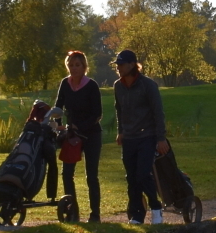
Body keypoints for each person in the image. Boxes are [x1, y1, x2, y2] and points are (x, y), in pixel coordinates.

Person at [110, 49, 169, 224]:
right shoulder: (118, 86)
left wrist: (161, 138)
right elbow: (119, 110)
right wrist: (120, 131)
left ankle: (156, 208)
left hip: (147, 136)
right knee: (131, 178)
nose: (119, 68)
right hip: (129, 138)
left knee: (143, 174)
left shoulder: (148, 85)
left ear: (132, 65)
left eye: (122, 64)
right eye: (118, 65)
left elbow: (158, 112)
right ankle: (137, 215)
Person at [53, 50, 103, 222]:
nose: (74, 68)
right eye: (71, 65)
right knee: (67, 173)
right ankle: (72, 211)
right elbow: (58, 106)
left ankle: (95, 214)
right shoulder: (65, 84)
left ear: (84, 67)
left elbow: (97, 114)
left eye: (77, 65)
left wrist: (80, 126)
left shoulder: (91, 86)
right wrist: (58, 125)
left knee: (91, 175)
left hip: (91, 134)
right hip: (72, 135)